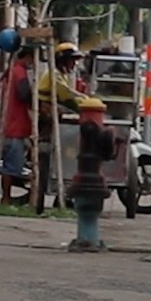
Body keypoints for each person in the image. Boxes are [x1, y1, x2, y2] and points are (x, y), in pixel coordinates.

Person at [1, 46, 35, 205]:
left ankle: (7, 198)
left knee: (10, 166)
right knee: (10, 167)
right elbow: (23, 93)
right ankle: (6, 199)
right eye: (32, 59)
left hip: (9, 125)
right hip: (15, 127)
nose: (33, 63)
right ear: (27, 57)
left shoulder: (9, 72)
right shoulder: (19, 71)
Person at [36, 42, 90, 111]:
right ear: (63, 60)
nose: (74, 63)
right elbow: (66, 95)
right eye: (72, 60)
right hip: (45, 107)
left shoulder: (61, 74)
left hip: (51, 104)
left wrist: (83, 98)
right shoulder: (54, 74)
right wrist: (82, 102)